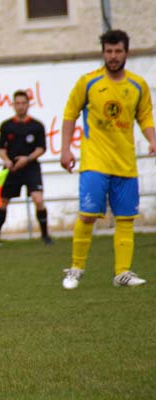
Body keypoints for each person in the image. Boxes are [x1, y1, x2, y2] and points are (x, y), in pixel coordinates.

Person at [60, 29, 156, 290]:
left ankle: (122, 272)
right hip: (95, 161)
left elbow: (145, 116)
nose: (113, 56)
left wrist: (152, 138)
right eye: (109, 51)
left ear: (127, 52)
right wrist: (65, 149)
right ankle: (76, 268)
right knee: (88, 214)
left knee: (125, 219)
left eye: (118, 51)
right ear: (103, 52)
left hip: (125, 164)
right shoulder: (88, 82)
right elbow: (70, 113)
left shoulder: (137, 85)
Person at [0, 89, 52, 248]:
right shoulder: (6, 126)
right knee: (3, 202)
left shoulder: (36, 126)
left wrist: (27, 159)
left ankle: (46, 236)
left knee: (38, 199)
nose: (20, 106)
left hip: (31, 167)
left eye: (23, 103)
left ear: (28, 104)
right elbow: (0, 147)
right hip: (12, 168)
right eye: (17, 103)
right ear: (13, 105)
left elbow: (41, 148)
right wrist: (6, 160)